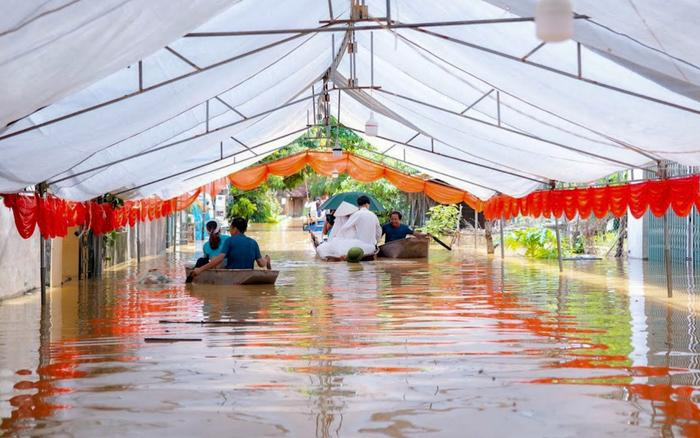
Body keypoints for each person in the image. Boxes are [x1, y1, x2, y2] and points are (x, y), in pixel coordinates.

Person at [192, 217, 270, 277]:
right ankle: (267, 258)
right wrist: (266, 260)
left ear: (235, 229)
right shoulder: (253, 242)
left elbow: (219, 258)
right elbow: (261, 264)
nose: (229, 230)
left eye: (230, 228)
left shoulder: (229, 241)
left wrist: (200, 269)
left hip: (232, 274)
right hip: (248, 273)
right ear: (245, 229)